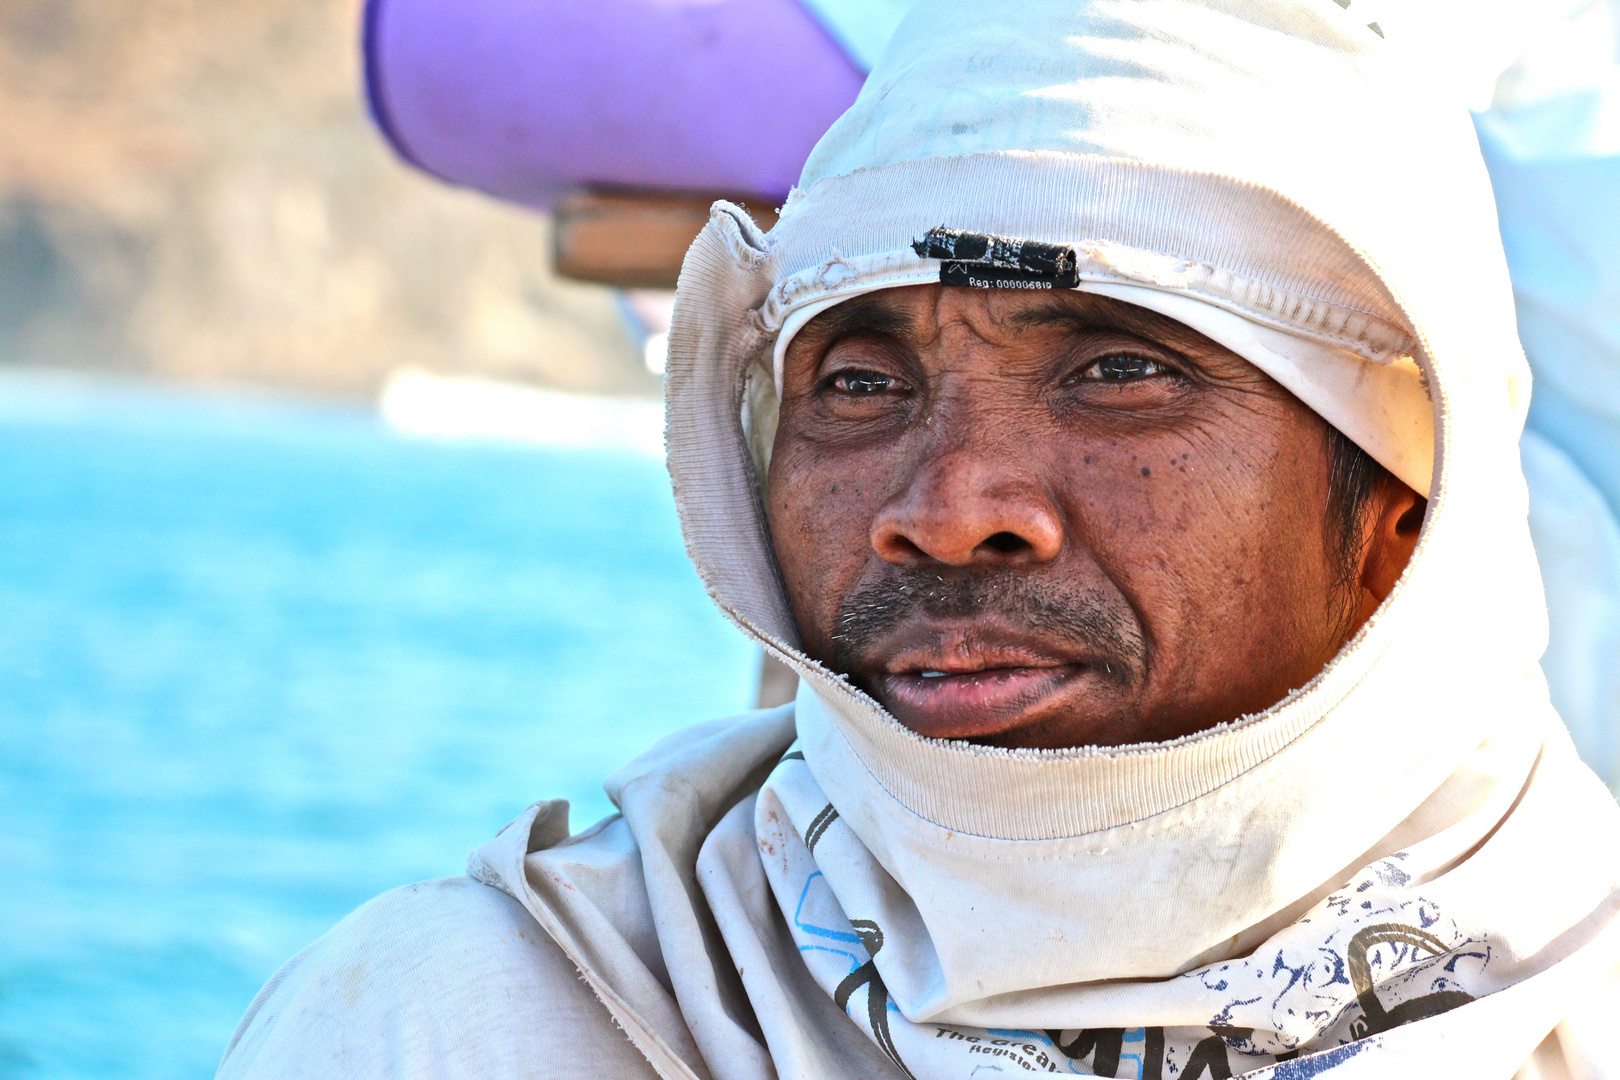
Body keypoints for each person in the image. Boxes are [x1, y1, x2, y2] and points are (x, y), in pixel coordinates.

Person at [218, 2, 1620, 1077]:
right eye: (861, 384)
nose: (942, 509)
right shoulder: (462, 1025)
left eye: (1120, 370)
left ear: (1403, 500)